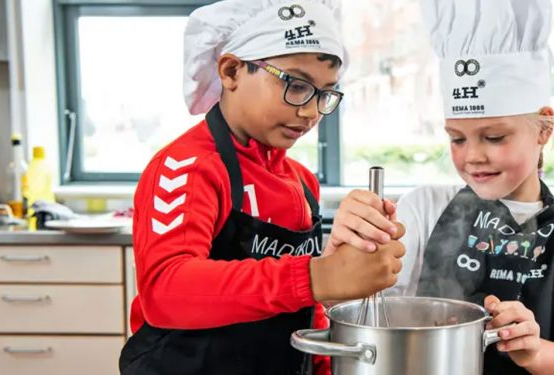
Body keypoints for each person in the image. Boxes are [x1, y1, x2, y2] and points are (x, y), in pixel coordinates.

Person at [119, 1, 403, 374]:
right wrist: (318, 274)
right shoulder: (188, 168)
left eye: (324, 93)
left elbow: (304, 306)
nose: (311, 111)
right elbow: (167, 291)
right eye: (297, 85)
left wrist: (320, 362)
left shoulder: (301, 182)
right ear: (232, 70)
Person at [391, 0, 554, 373]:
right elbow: (363, 303)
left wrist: (535, 350)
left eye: (494, 137)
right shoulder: (422, 208)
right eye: (457, 139)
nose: (472, 156)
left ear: (544, 129)